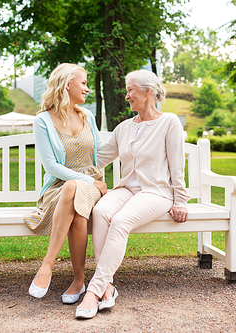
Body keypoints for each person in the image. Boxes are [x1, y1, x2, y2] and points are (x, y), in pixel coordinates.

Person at [75, 69, 190, 319]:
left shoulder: (169, 122)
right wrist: (67, 164)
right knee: (101, 211)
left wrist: (180, 200)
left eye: (130, 90)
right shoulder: (124, 127)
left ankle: (93, 292)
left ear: (148, 92)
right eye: (127, 90)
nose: (127, 96)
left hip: (156, 193)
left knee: (120, 220)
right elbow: (98, 159)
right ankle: (107, 286)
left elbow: (177, 166)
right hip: (127, 189)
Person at [24, 63, 107, 304]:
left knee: (75, 189)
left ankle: (46, 267)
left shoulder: (87, 116)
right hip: (58, 189)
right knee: (75, 201)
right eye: (83, 82)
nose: (87, 89)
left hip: (91, 188)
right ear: (67, 84)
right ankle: (79, 280)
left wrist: (129, 142)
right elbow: (51, 166)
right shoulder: (43, 121)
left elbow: (101, 152)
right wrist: (89, 180)